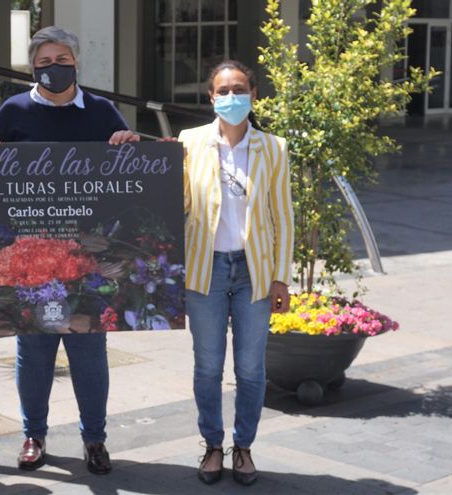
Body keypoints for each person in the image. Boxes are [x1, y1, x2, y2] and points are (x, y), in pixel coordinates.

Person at [0, 26, 138, 475]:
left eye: (61, 59)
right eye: (44, 62)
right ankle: (34, 436)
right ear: (32, 67)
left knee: (89, 351)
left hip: (86, 257)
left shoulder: (102, 111)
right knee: (34, 351)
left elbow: (130, 175)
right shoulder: (14, 110)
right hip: (31, 256)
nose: (54, 68)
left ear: (76, 62)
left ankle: (95, 439)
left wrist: (128, 145)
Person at [178, 60, 293, 486]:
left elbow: (283, 217)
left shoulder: (274, 148)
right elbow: (178, 204)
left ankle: (243, 446)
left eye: (239, 89)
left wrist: (281, 276)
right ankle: (212, 444)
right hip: (205, 269)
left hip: (253, 272)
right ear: (211, 97)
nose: (231, 97)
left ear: (253, 94)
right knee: (208, 366)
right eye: (223, 91)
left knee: (250, 368)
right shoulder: (190, 142)